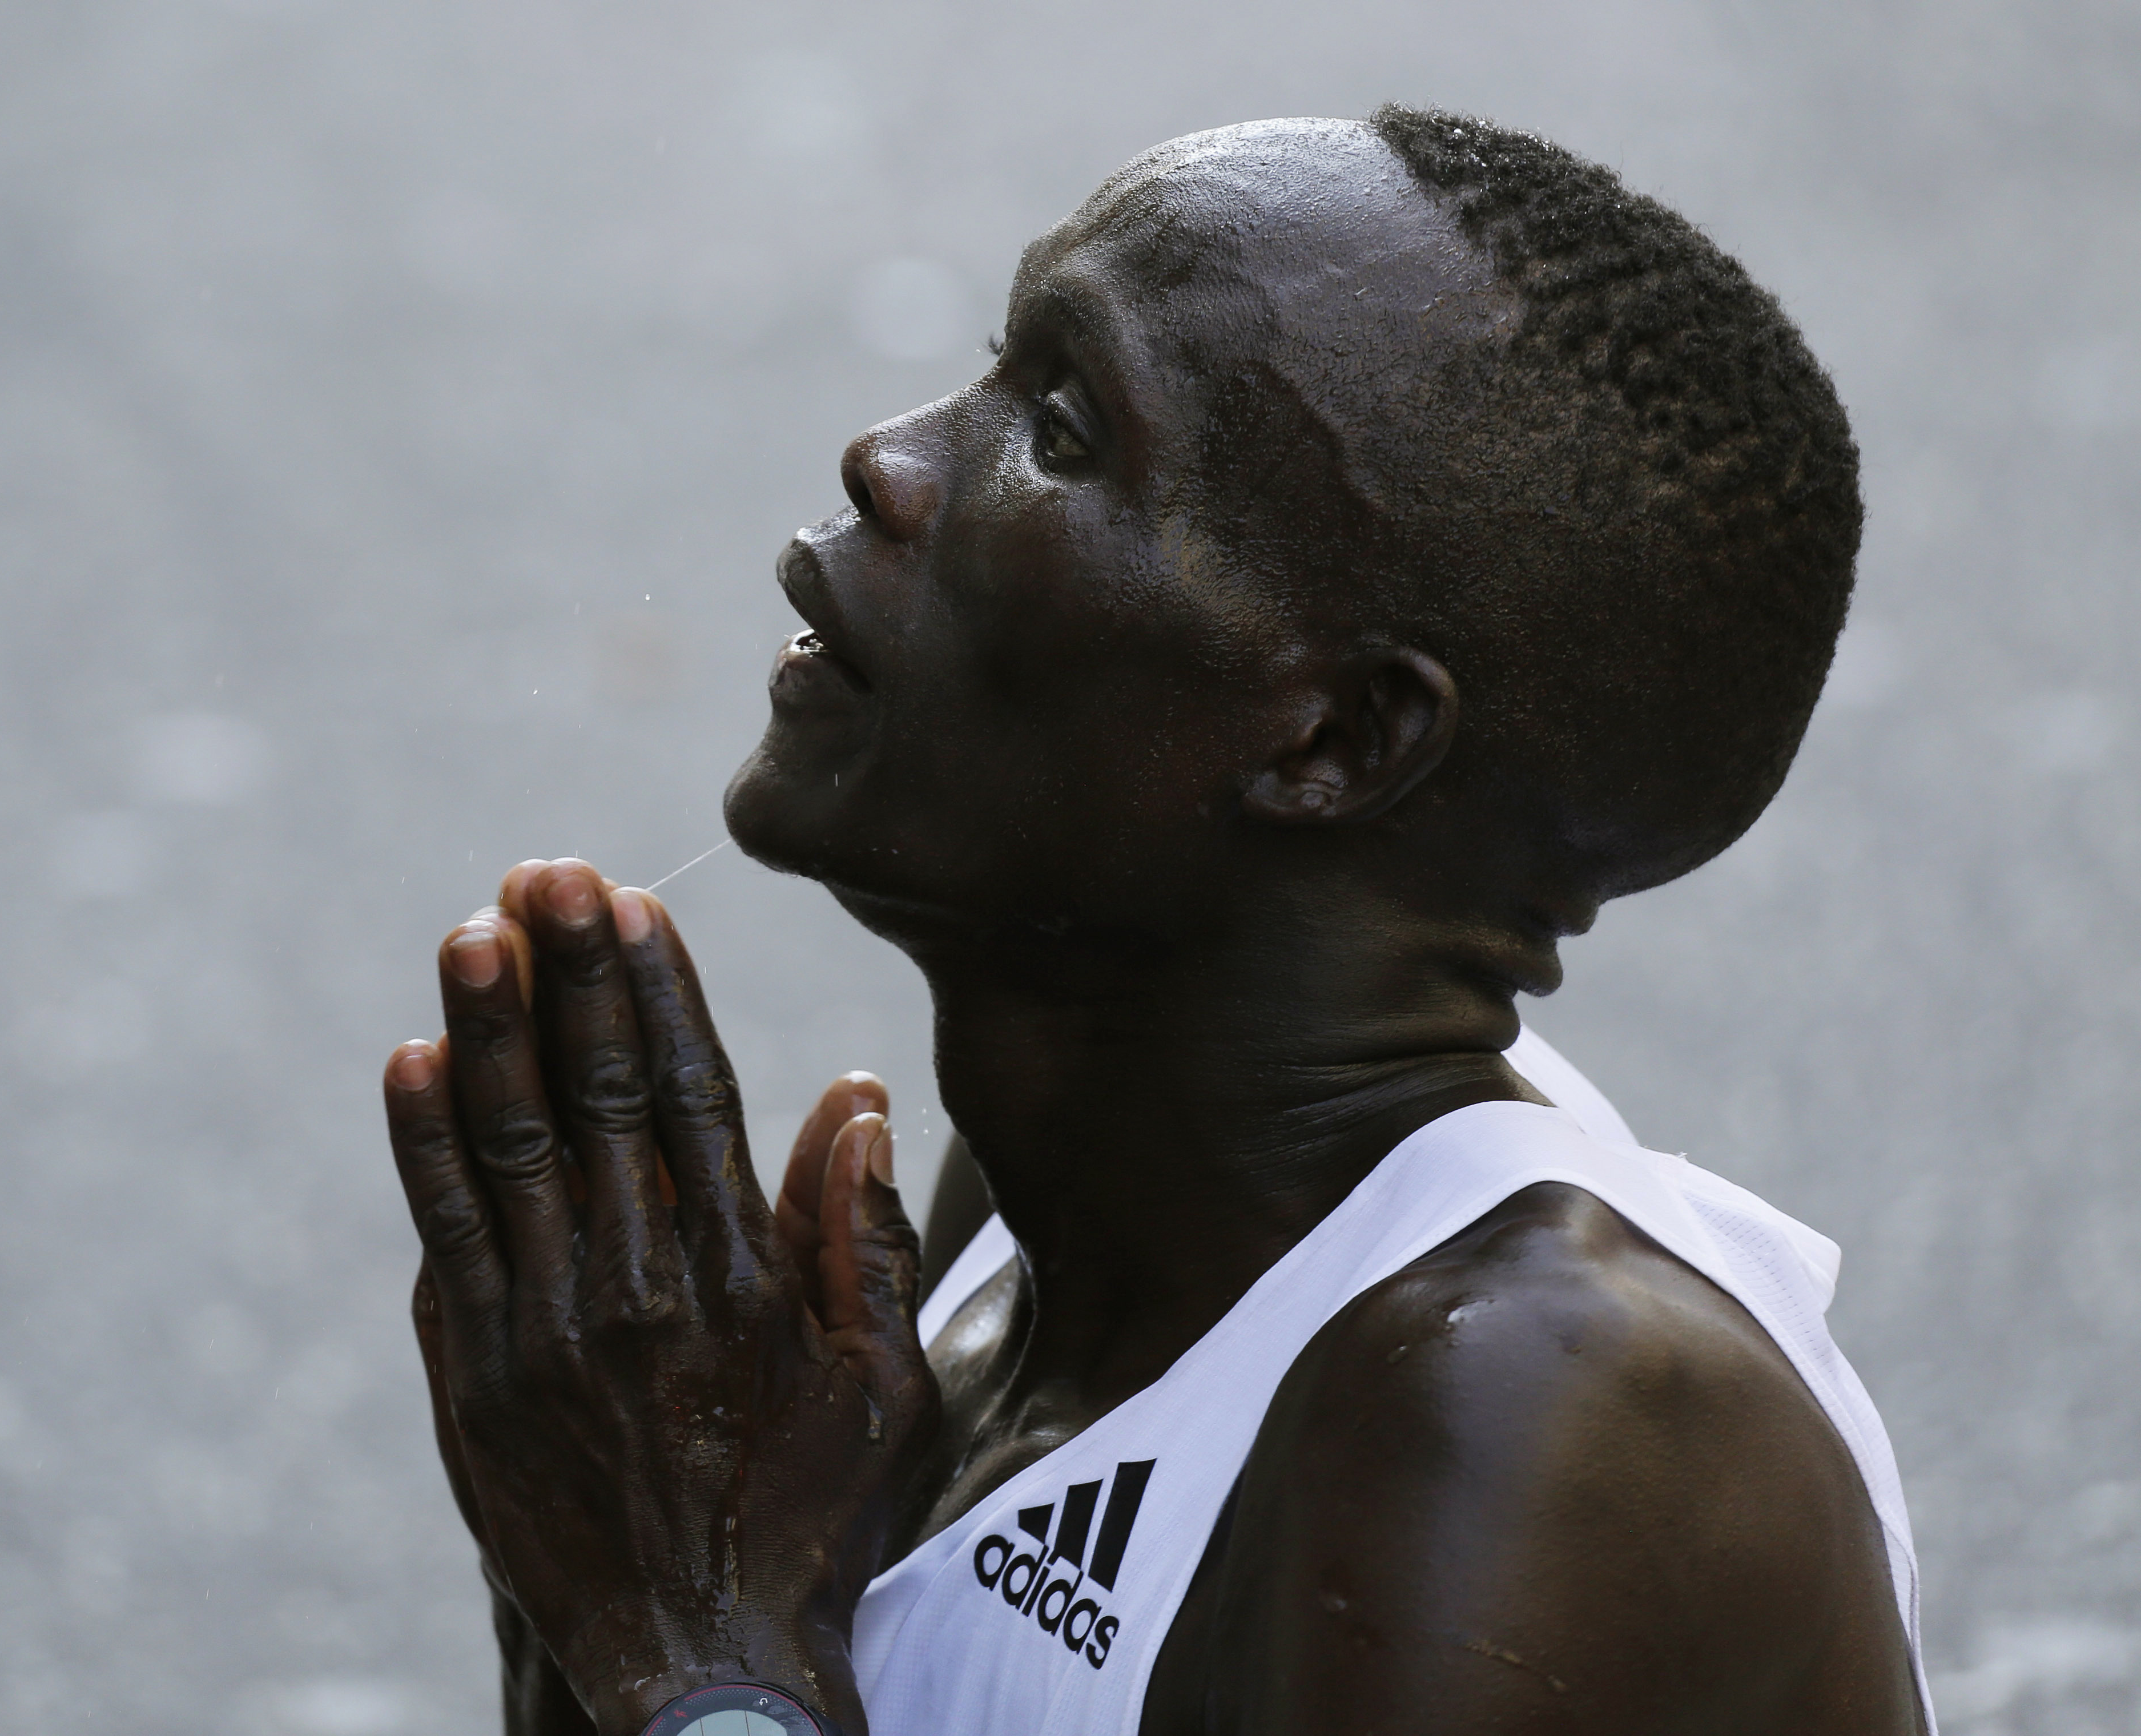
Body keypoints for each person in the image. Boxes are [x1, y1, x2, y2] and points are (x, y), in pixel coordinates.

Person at [385, 107, 1933, 1735]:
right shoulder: (1049, 1202)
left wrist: (687, 1646)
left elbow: (708, 1671)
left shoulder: (1537, 1413)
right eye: (992, 365)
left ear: (1332, 744)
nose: (889, 459)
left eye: (1059, 427)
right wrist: (592, 1545)